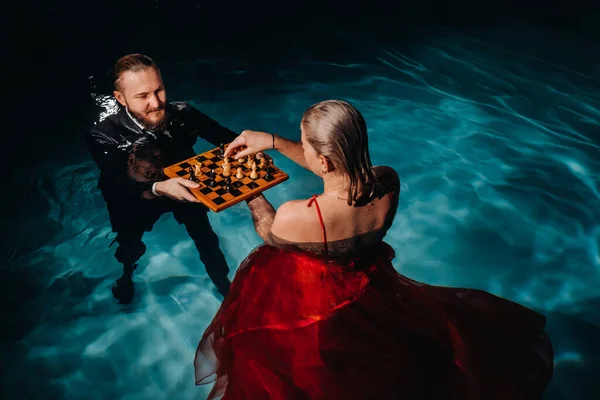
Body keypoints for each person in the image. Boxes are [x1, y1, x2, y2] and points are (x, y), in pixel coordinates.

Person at [193, 100, 554, 399]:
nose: (300, 148)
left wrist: (251, 192)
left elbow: (269, 234)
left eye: (304, 145)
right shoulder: (387, 183)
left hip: (315, 302)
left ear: (322, 160)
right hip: (367, 286)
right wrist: (272, 141)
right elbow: (339, 171)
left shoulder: (297, 217)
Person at [86, 54, 236, 304]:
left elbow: (225, 138)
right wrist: (157, 187)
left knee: (206, 238)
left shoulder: (182, 112)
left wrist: (254, 144)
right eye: (142, 96)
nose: (156, 103)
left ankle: (223, 284)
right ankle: (127, 275)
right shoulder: (103, 134)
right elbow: (115, 181)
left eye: (159, 90)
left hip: (186, 187)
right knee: (129, 245)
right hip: (134, 197)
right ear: (120, 99)